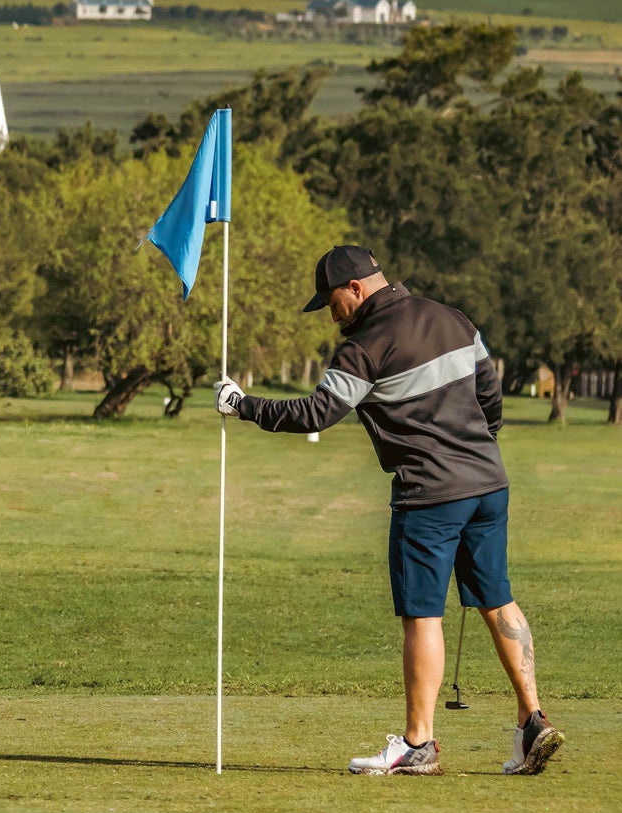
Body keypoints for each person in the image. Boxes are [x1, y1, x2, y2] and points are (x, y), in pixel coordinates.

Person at [214, 245, 564, 776]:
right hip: (488, 485)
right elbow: (490, 399)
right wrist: (473, 452)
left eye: (332, 304)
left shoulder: (365, 346)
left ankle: (418, 744)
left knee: (422, 615)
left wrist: (243, 406)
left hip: (429, 498)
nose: (333, 317)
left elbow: (317, 412)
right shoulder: (453, 317)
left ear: (356, 288)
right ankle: (531, 720)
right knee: (498, 599)